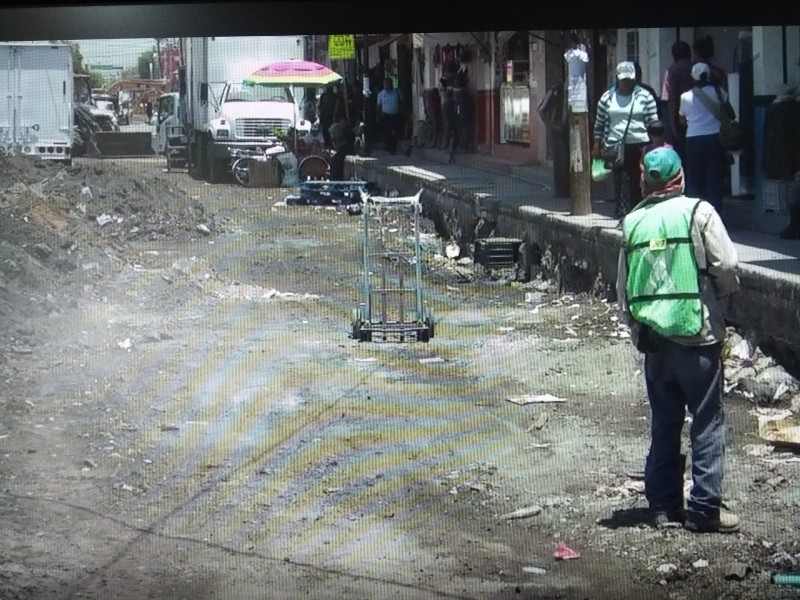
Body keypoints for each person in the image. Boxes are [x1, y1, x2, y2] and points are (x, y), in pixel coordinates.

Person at [616, 147, 740, 533]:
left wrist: (638, 326)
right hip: (696, 335)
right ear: (680, 177)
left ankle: (663, 507)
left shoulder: (633, 222)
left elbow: (623, 289)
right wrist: (720, 298)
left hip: (654, 341)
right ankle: (704, 510)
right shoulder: (697, 212)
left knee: (664, 423)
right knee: (707, 421)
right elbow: (728, 266)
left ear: (645, 181)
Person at [592, 61, 658, 217]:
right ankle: (622, 213)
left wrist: (655, 144)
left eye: (630, 79)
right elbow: (599, 123)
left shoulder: (645, 96)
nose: (627, 83)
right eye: (624, 80)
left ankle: (638, 211)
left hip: (640, 145)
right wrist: (597, 144)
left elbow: (653, 120)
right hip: (615, 146)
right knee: (620, 181)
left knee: (639, 179)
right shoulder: (607, 97)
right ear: (617, 78)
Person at [679, 62, 732, 214]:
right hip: (715, 139)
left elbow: (682, 120)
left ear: (693, 78)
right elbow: (727, 112)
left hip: (693, 140)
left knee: (694, 179)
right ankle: (714, 215)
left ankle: (694, 214)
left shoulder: (685, 97)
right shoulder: (720, 92)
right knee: (714, 179)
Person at [661, 41, 694, 162]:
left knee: (680, 156)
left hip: (679, 119)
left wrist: (673, 126)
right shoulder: (696, 67)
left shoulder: (672, 70)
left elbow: (671, 100)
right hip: (697, 117)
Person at [377, 77, 402, 154]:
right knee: (387, 132)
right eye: (385, 84)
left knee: (396, 132)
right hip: (386, 116)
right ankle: (389, 147)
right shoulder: (381, 94)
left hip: (396, 115)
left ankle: (394, 145)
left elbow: (402, 103)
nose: (386, 86)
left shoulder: (397, 92)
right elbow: (378, 106)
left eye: (388, 84)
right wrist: (377, 117)